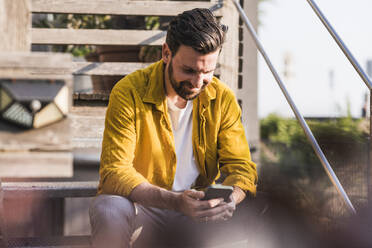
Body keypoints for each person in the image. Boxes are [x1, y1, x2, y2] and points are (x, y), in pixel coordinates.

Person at [89, 8, 258, 248]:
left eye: (207, 72)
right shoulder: (129, 92)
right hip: (143, 206)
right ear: (166, 53)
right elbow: (114, 173)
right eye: (189, 70)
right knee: (108, 207)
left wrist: (232, 199)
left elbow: (241, 168)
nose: (198, 83)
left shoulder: (222, 99)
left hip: (196, 211)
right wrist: (175, 201)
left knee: (261, 208)